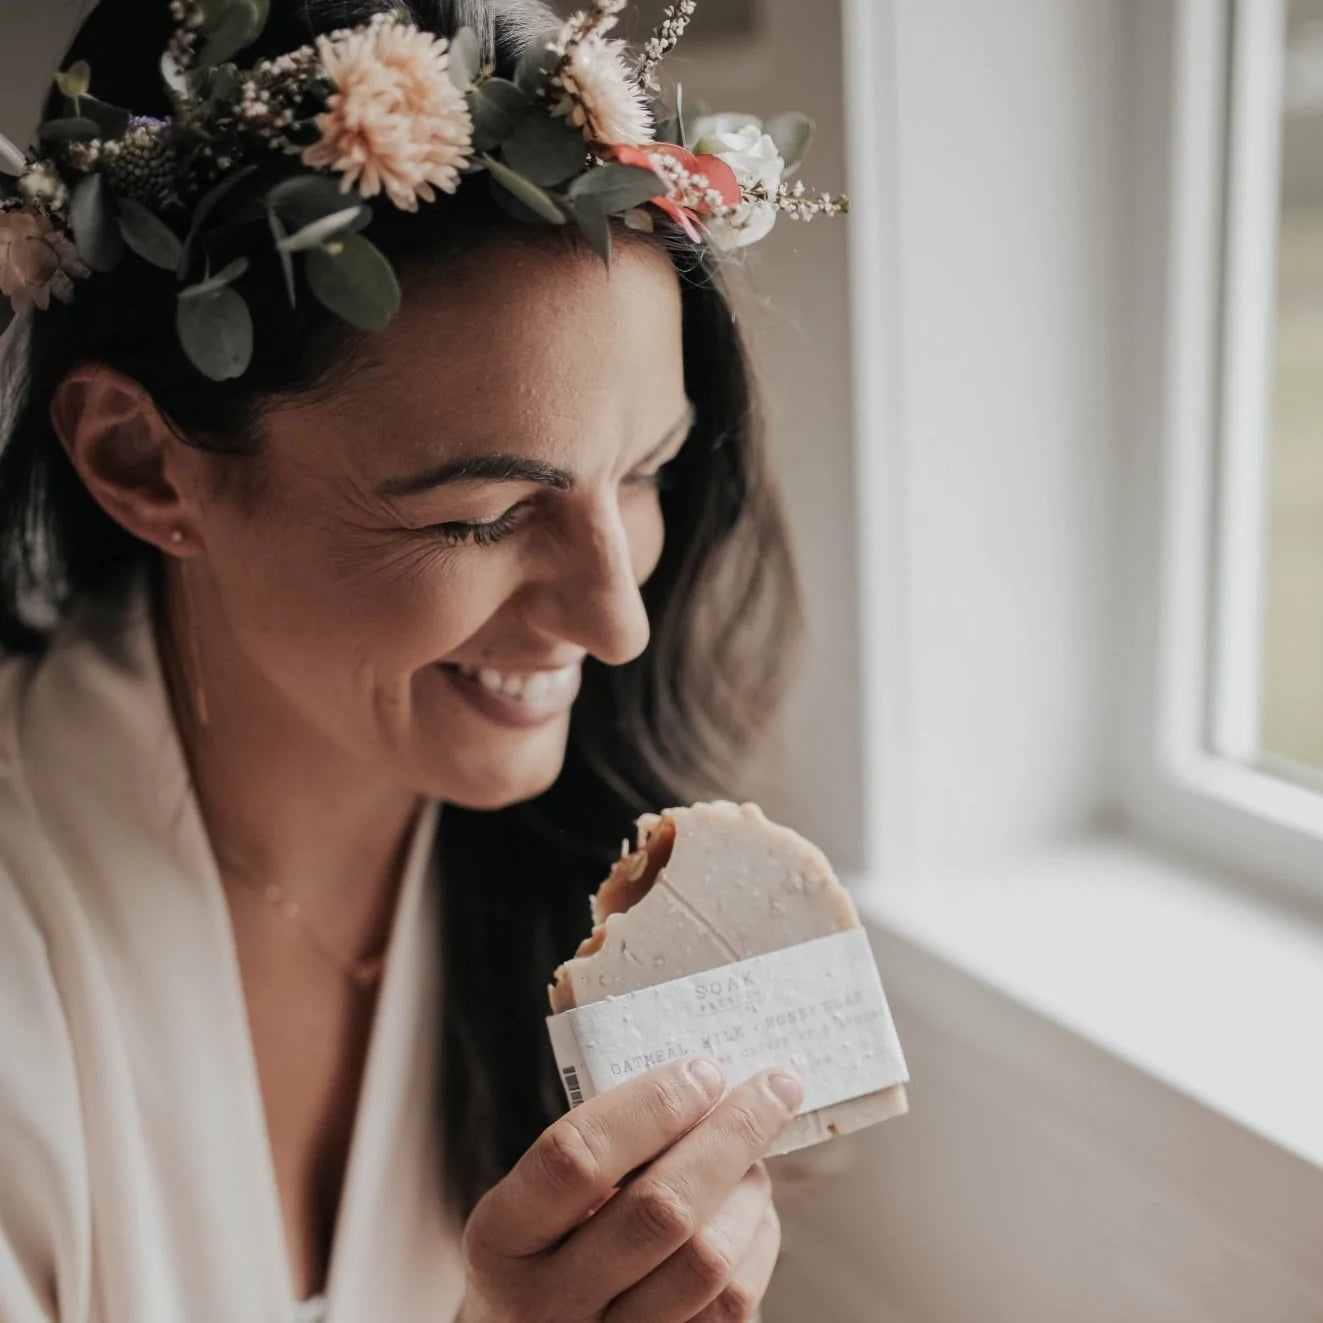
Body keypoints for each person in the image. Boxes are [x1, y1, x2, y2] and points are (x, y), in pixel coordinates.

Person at [0, 1, 844, 1319]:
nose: (618, 623)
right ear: (140, 459)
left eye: (647, 472)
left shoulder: (616, 898)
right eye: (482, 516)